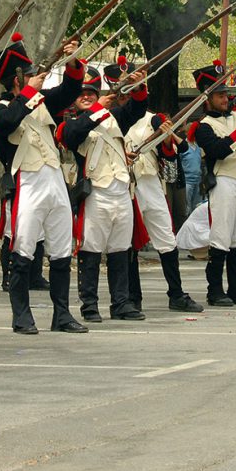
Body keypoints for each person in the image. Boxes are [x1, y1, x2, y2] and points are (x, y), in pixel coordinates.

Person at [0, 33, 89, 334]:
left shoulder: (41, 102)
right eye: (27, 74)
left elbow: (70, 90)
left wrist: (73, 59)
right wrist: (28, 94)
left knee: (61, 250)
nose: (34, 77)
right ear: (17, 79)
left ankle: (62, 314)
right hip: (26, 183)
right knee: (24, 248)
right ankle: (21, 315)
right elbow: (3, 124)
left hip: (54, 180)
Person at [61, 64, 149, 321]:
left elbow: (137, 109)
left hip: (121, 190)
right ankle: (89, 305)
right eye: (82, 94)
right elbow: (74, 135)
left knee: (120, 250)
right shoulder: (70, 124)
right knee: (91, 250)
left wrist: (138, 85)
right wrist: (97, 108)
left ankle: (121, 303)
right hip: (96, 192)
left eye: (91, 92)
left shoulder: (113, 117)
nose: (87, 96)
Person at [190, 63, 236, 307]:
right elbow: (217, 150)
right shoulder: (202, 126)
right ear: (207, 98)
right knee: (220, 236)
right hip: (223, 179)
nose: (225, 98)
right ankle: (215, 289)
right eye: (220, 94)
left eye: (226, 94)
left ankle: (234, 287)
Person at [125, 107, 205, 313]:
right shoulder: (112, 116)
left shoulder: (153, 119)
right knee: (129, 242)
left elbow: (169, 157)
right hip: (123, 183)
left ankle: (176, 294)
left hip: (150, 181)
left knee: (167, 240)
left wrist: (167, 139)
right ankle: (132, 297)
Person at [180, 136, 204, 214]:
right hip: (187, 181)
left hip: (198, 180)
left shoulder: (198, 147)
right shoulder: (183, 146)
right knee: (187, 206)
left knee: (197, 205)